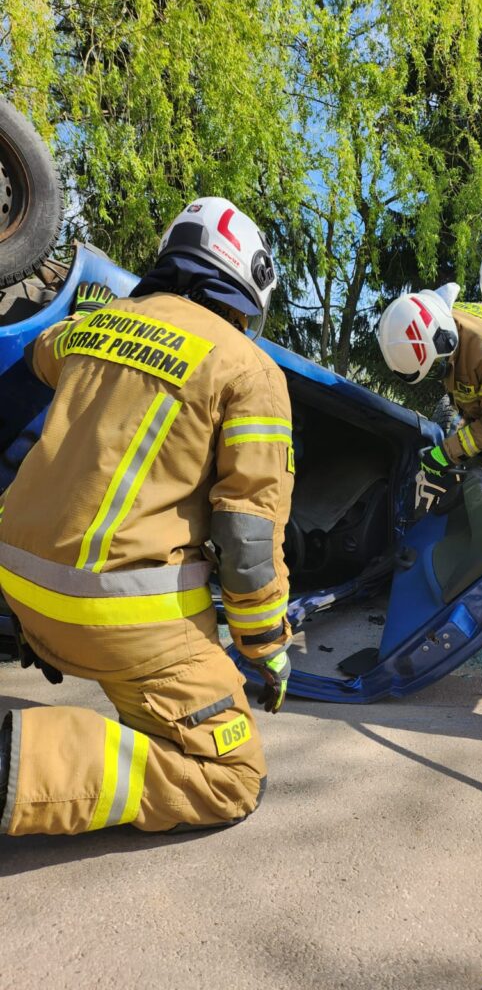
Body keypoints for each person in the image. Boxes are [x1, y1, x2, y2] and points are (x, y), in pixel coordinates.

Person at [0, 196, 294, 835]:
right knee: (232, 778)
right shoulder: (250, 369)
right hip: (121, 619)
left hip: (19, 591)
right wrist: (266, 645)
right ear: (247, 286)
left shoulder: (93, 325)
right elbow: (246, 535)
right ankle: (18, 771)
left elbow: (31, 362)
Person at [377, 277, 482, 497]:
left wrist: (445, 454)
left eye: (435, 367)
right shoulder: (441, 324)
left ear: (446, 339)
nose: (438, 375)